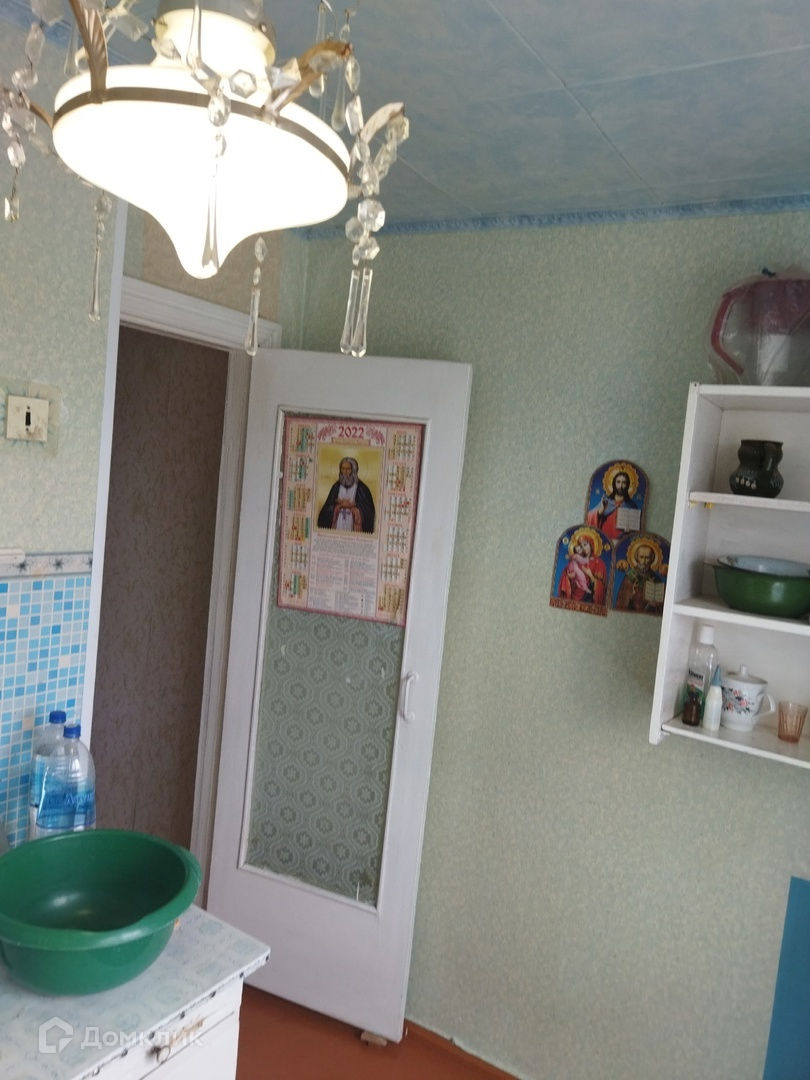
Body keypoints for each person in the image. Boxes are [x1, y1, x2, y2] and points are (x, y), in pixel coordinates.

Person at [317, 457, 375, 533]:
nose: (345, 472)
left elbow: (368, 512)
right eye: (343, 469)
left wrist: (355, 507)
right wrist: (339, 506)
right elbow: (326, 510)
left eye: (348, 469)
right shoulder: (336, 487)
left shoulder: (362, 489)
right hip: (338, 523)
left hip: (353, 525)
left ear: (354, 470)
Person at [586, 468, 639, 539]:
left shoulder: (631, 505)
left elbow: (635, 530)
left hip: (621, 540)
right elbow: (590, 517)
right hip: (605, 538)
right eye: (618, 482)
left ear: (627, 485)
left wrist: (629, 530)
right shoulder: (606, 501)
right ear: (614, 483)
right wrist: (602, 510)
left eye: (624, 483)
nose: (621, 486)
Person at [615, 541, 665, 614]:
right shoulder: (630, 576)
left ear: (651, 559)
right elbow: (622, 602)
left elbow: (661, 608)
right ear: (636, 558)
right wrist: (632, 594)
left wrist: (656, 604)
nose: (644, 561)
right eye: (641, 557)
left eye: (647, 558)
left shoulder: (656, 579)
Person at [558, 532, 607, 605]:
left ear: (591, 545)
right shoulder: (577, 560)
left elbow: (601, 587)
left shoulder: (599, 563)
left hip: (588, 598)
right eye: (581, 546)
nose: (583, 548)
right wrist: (568, 576)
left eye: (585, 545)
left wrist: (590, 575)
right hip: (573, 595)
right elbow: (566, 573)